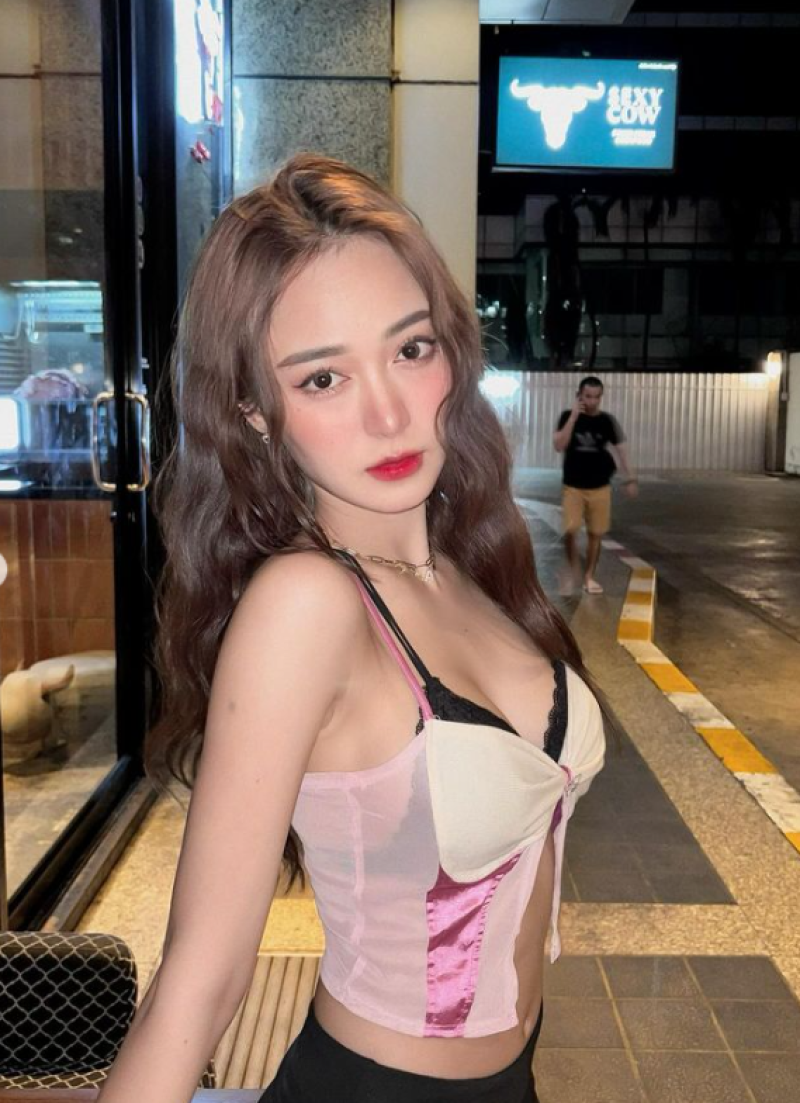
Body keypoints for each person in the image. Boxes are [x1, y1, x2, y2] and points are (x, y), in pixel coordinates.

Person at [95, 154, 606, 1103]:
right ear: (254, 411)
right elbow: (200, 979)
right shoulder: (307, 604)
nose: (389, 412)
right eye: (323, 377)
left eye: (410, 349)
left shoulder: (469, 566)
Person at [553, 376, 638, 595]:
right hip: (573, 486)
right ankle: (572, 567)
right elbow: (559, 445)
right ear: (579, 396)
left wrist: (630, 478)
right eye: (587, 396)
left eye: (596, 397)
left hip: (600, 486)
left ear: (601, 397)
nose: (591, 401)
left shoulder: (607, 421)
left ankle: (589, 576)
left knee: (595, 534)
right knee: (570, 530)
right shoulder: (567, 417)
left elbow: (622, 451)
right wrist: (573, 417)